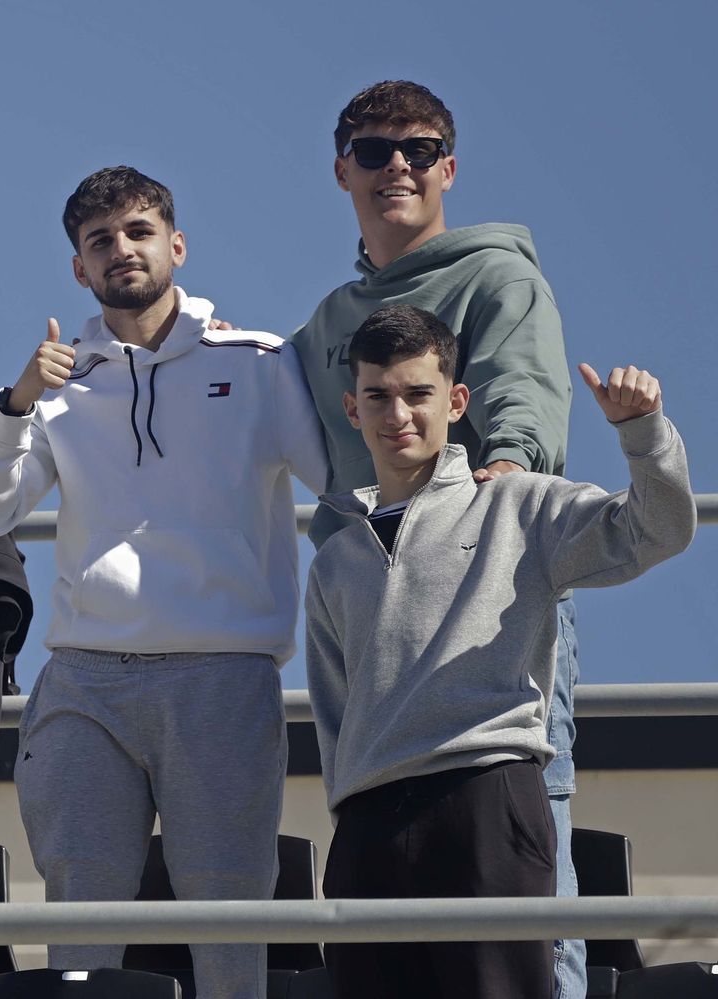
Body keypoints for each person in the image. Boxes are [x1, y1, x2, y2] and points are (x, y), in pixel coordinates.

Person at [0, 165, 327, 999]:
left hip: (222, 676)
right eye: (99, 241)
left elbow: (341, 485)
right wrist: (14, 404)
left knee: (229, 922)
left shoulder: (260, 362)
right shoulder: (58, 380)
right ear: (79, 270)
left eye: (137, 231)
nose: (121, 250)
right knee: (80, 933)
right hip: (87, 679)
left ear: (177, 245)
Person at [287, 79, 586, 998]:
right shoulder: (325, 328)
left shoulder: (497, 277)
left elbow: (523, 412)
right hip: (373, 641)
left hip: (486, 619)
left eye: (418, 150)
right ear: (343, 171)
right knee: (387, 918)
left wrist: (508, 468)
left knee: (523, 894)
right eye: (374, 152)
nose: (397, 167)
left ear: (448, 167)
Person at [305, 305, 694, 999]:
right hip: (367, 826)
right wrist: (348, 810)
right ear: (352, 407)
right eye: (379, 396)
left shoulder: (519, 507)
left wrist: (642, 432)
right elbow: (336, 711)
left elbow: (658, 529)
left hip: (484, 799)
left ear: (456, 401)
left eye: (419, 393)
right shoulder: (335, 561)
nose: (399, 413)